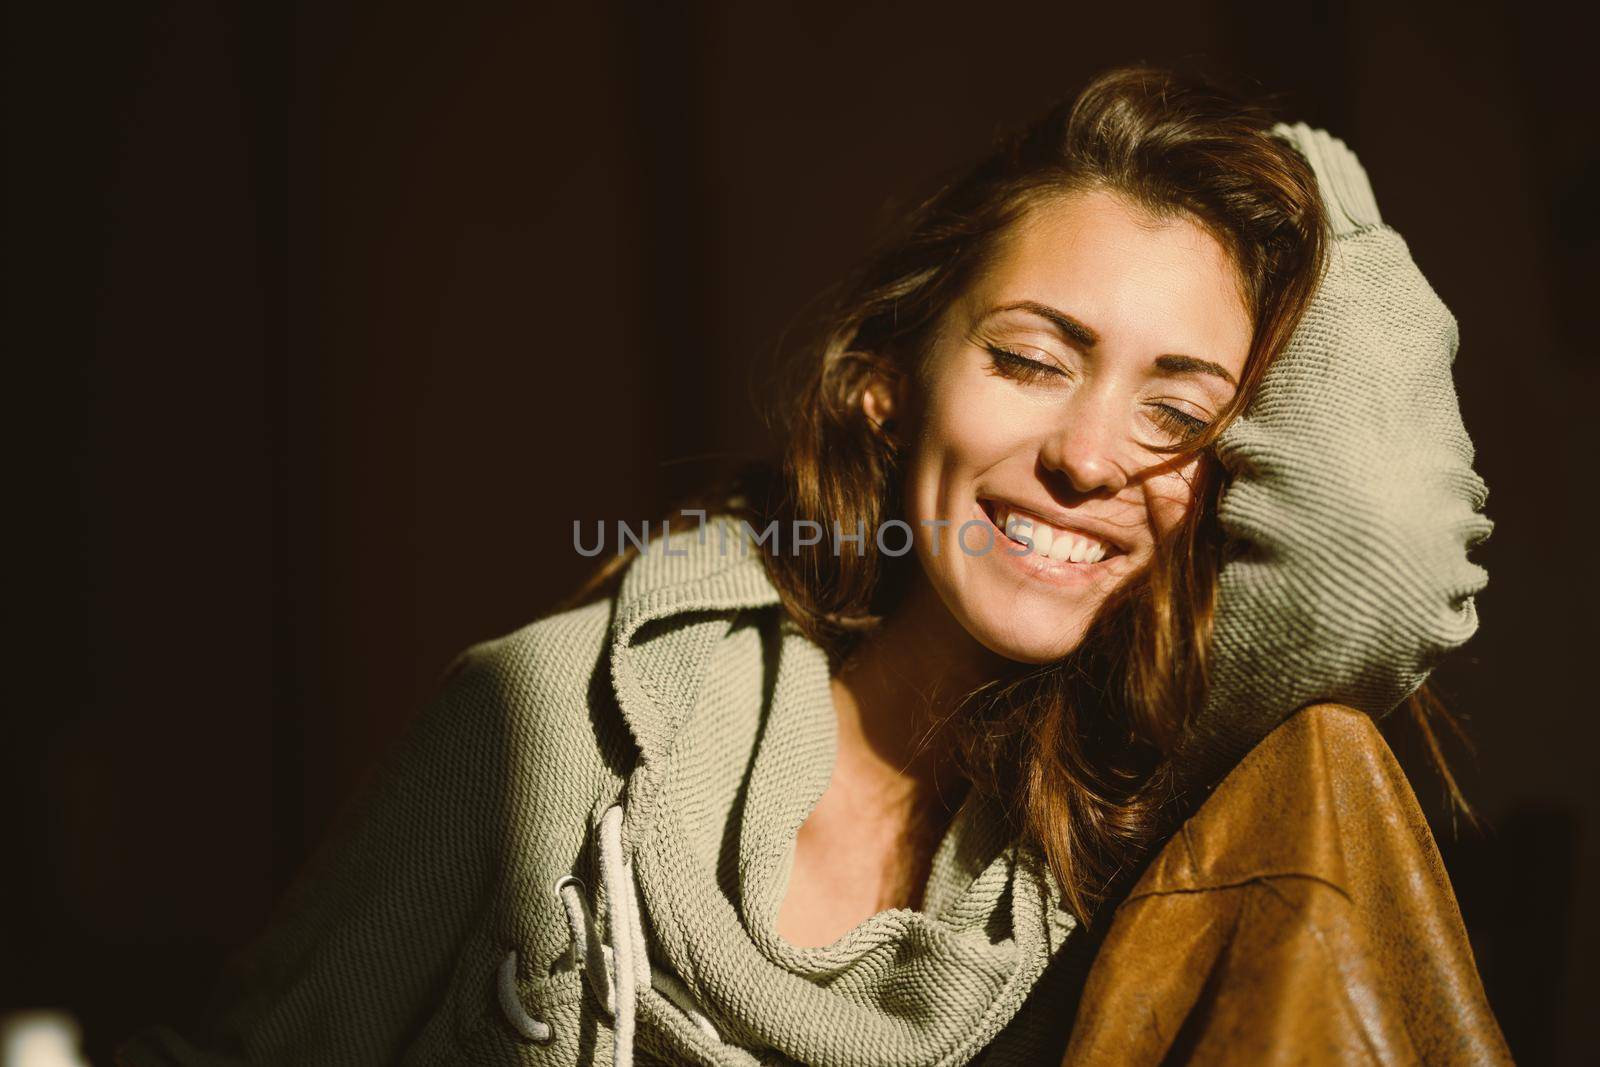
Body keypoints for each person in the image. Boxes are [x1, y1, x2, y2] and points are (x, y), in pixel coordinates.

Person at [115, 65, 1508, 1066]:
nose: (1089, 459)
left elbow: (1385, 541)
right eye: (1031, 359)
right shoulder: (557, 724)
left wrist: (1293, 169)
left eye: (1177, 414)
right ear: (890, 388)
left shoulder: (1137, 790)